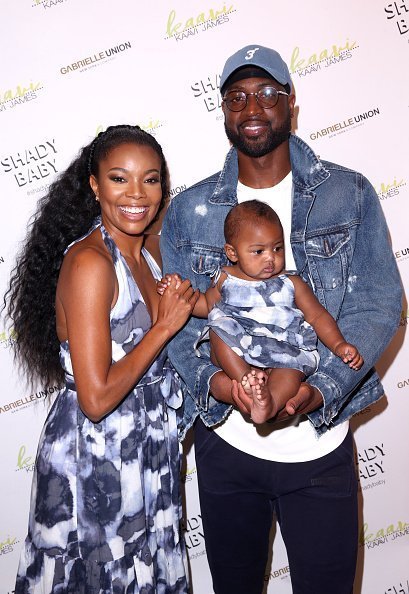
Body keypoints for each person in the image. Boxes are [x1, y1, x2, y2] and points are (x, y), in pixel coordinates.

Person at [160, 45, 402, 594]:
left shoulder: (350, 193)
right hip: (228, 450)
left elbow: (380, 302)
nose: (253, 107)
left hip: (318, 448)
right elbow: (181, 324)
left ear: (292, 103)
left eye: (268, 93)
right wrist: (219, 386)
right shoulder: (191, 210)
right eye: (238, 96)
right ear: (223, 108)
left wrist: (322, 390)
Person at [5, 124, 198, 594]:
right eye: (119, 178)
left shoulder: (148, 251)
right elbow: (94, 398)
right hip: (97, 460)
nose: (137, 194)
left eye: (150, 180)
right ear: (94, 185)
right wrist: (164, 327)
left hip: (147, 451)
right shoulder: (91, 263)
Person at [159, 200, 363, 424]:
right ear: (232, 253)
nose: (270, 258)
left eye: (277, 248)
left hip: (284, 347)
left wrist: (338, 344)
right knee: (218, 328)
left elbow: (317, 316)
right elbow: (206, 305)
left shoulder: (291, 282)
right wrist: (177, 292)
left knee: (292, 370)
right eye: (258, 251)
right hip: (241, 347)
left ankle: (269, 403)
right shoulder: (225, 279)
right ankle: (247, 383)